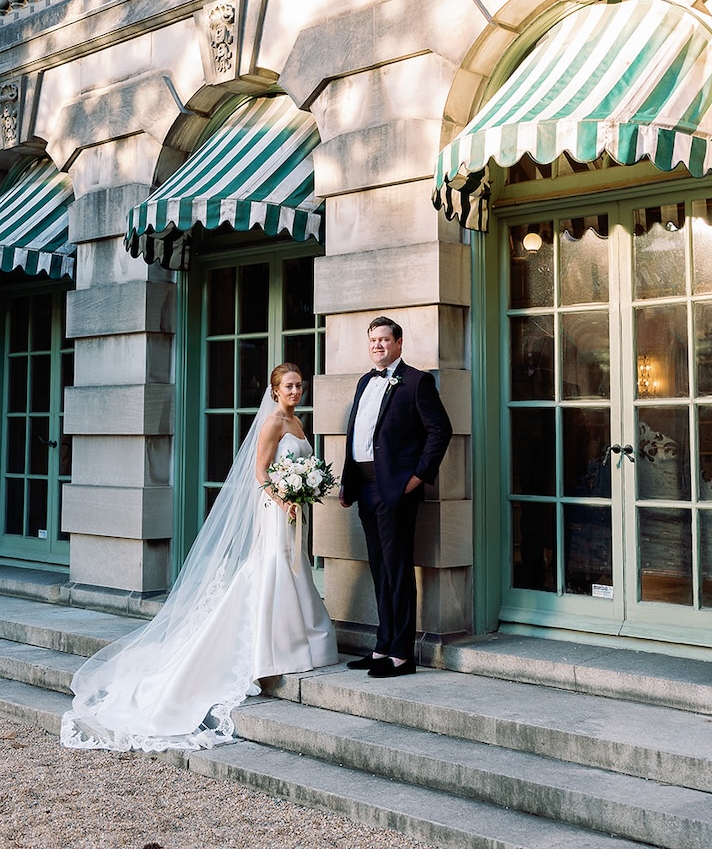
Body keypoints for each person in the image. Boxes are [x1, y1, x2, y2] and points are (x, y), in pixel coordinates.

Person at [60, 363, 337, 753]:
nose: (296, 391)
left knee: (294, 568)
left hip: (293, 509)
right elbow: (261, 472)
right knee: (272, 566)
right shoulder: (273, 422)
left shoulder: (298, 423)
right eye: (289, 386)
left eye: (299, 386)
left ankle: (302, 641)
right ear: (275, 391)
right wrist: (283, 498)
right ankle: (272, 649)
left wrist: (304, 490)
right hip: (275, 509)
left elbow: (298, 465)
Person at [340, 316, 452, 678]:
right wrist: (347, 482)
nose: (378, 346)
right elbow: (357, 434)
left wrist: (417, 477)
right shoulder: (364, 381)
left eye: (385, 340)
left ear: (399, 343)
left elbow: (440, 431)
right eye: (373, 340)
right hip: (364, 487)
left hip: (395, 489)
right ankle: (383, 646)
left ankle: (402, 655)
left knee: (398, 570)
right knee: (379, 569)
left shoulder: (418, 382)